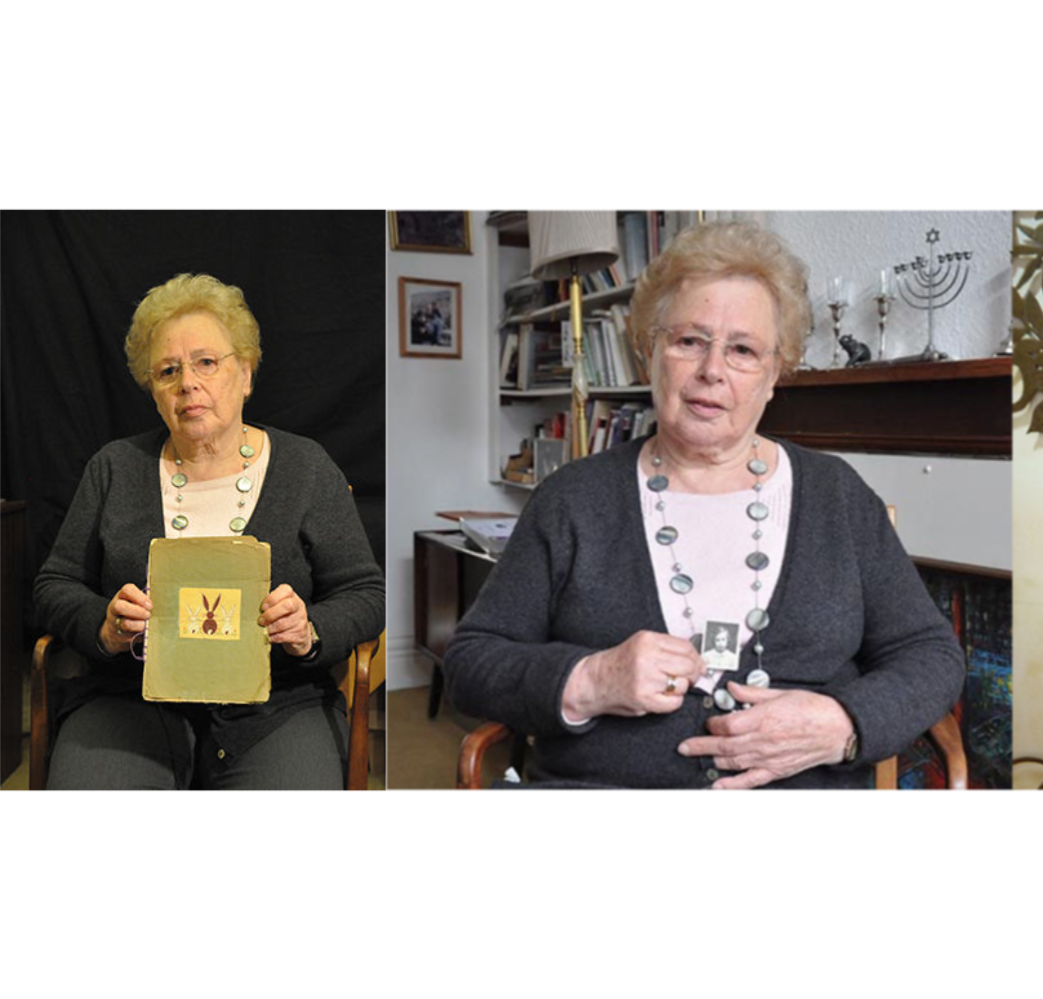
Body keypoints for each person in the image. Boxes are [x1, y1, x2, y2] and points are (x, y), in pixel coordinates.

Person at [444, 221, 965, 791]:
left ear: (774, 375)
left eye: (742, 350)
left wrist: (844, 722)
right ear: (649, 353)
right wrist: (590, 678)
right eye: (689, 340)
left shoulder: (837, 496)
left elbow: (931, 654)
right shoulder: (572, 499)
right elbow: (471, 662)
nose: (712, 370)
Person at [33, 273, 385, 791]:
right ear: (152, 389)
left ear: (245, 372)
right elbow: (53, 586)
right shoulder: (114, 468)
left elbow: (365, 594)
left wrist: (309, 629)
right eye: (167, 370)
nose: (187, 383)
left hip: (277, 705)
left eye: (206, 362)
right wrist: (103, 625)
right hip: (128, 699)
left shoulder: (306, 468)